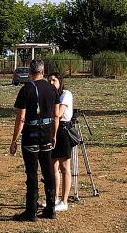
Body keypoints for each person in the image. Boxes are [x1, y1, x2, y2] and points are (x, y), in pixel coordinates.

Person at [9, 59, 58, 221]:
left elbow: (21, 118)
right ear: (43, 71)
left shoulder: (26, 89)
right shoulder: (52, 89)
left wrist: (14, 140)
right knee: (48, 171)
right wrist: (54, 134)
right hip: (47, 134)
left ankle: (31, 211)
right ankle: (50, 209)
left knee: (32, 172)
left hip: (31, 134)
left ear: (30, 72)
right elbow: (56, 115)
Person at [48, 73, 77, 210]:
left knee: (64, 167)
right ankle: (54, 199)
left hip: (63, 130)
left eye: (54, 80)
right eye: (49, 80)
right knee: (52, 166)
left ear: (60, 81)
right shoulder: (50, 95)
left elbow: (58, 113)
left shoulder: (66, 94)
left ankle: (64, 201)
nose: (51, 82)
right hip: (52, 129)